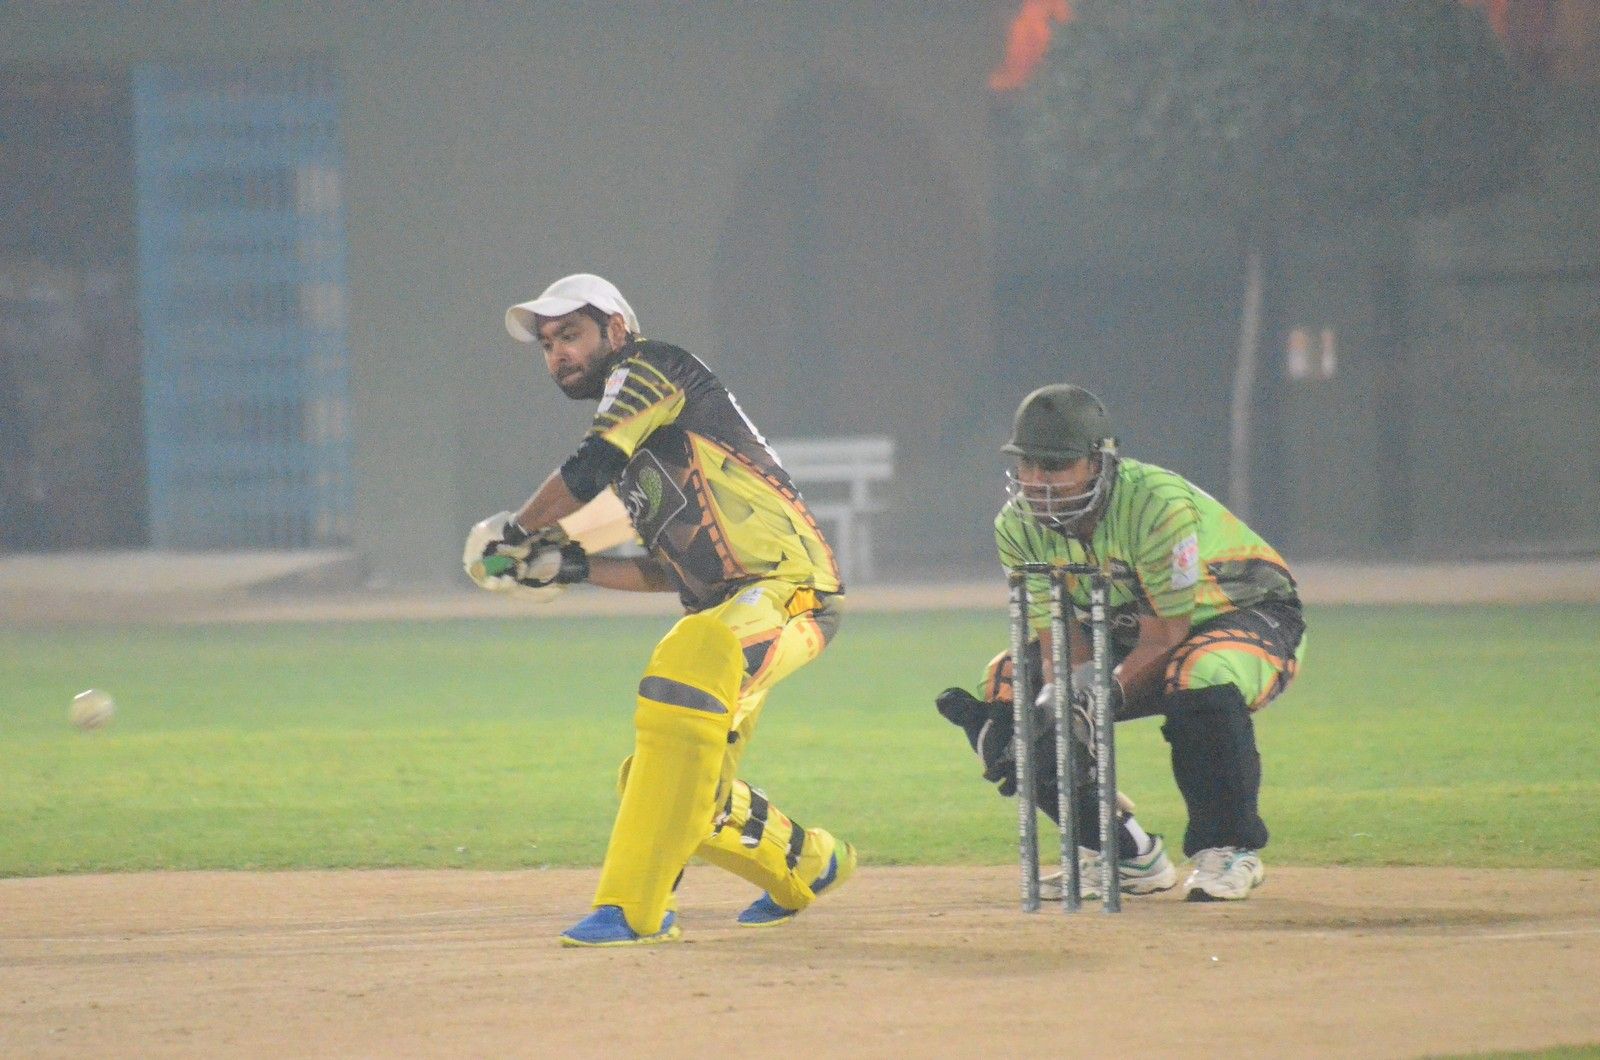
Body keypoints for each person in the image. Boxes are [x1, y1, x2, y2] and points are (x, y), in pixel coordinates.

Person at [465, 273, 855, 946]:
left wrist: (518, 533)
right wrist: (573, 567)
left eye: (571, 334)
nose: (558, 354)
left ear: (616, 329)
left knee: (687, 670)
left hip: (791, 589)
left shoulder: (652, 367)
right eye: (548, 345)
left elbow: (588, 465)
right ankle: (807, 862)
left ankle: (633, 909)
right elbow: (667, 571)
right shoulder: (641, 462)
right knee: (664, 779)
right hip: (737, 607)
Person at [936, 384, 1306, 901]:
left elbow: (1169, 633)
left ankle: (1228, 847)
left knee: (1199, 669)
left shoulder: (1155, 505)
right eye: (1028, 464)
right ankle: (1122, 851)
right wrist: (1055, 714)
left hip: (1241, 613)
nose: (1037, 482)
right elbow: (1060, 641)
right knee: (1009, 688)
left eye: (1055, 466)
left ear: (1098, 462)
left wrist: (1092, 702)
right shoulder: (1016, 527)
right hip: (1128, 628)